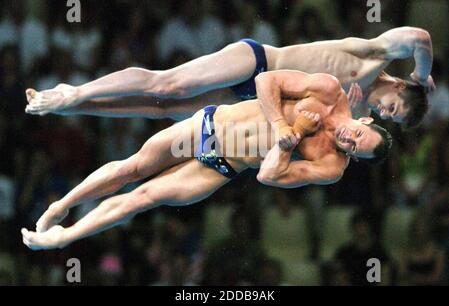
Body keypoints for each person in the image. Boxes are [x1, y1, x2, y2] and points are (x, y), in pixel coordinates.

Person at [21, 71, 392, 250]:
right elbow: (265, 82)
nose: (349, 140)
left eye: (355, 149)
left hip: (225, 165)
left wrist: (287, 138)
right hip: (211, 126)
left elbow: (267, 175)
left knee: (142, 197)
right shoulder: (327, 90)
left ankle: (63, 238)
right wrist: (282, 121)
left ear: (353, 159)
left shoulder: (330, 166)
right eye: (358, 134)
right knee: (130, 168)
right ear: (365, 119)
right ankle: (62, 205)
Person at [25, 27, 434, 130]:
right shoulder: (373, 54)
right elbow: (420, 37)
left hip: (253, 98)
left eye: (389, 118)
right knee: (169, 84)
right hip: (256, 61)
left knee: (162, 111)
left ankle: (78, 106)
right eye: (393, 107)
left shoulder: (356, 108)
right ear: (400, 85)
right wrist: (423, 73)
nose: (382, 112)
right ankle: (74, 90)